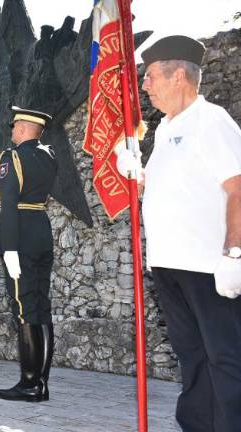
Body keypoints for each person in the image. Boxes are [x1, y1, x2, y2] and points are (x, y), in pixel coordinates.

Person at [117, 35, 241, 431]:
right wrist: (136, 172)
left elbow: (237, 187)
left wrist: (233, 254)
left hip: (208, 266)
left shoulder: (211, 121)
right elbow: (164, 189)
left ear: (179, 77)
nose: (145, 85)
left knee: (226, 357)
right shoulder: (168, 128)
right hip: (170, 265)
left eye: (151, 76)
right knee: (192, 356)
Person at [0, 106, 57, 402]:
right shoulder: (48, 156)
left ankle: (29, 383)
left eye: (15, 126)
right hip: (42, 234)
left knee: (24, 308)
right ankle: (41, 383)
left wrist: (9, 249)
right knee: (41, 308)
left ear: (23, 129)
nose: (12, 130)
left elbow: (7, 205)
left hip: (21, 238)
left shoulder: (12, 157)